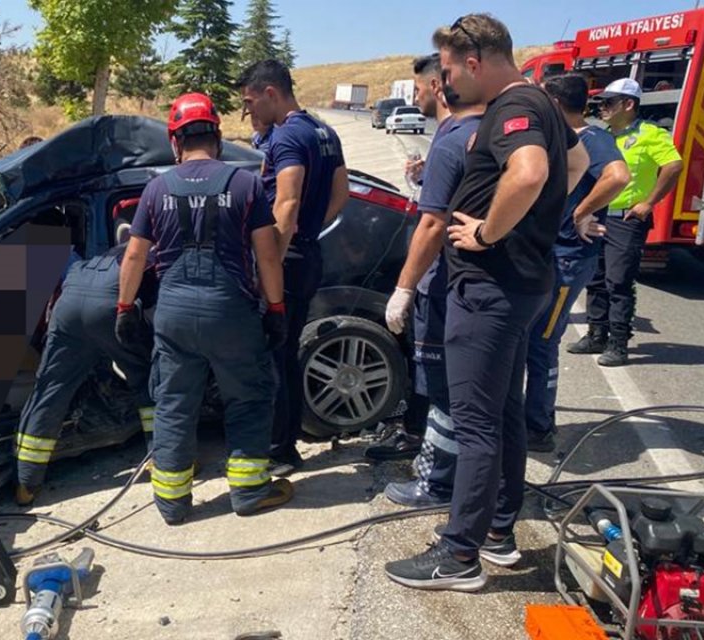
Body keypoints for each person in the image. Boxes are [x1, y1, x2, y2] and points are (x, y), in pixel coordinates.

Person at [385, 14, 588, 592]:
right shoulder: (545, 103)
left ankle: (458, 557)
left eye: (448, 71)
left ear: (474, 62)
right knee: (502, 412)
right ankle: (498, 533)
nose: (445, 84)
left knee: (475, 423)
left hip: (490, 287)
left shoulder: (509, 108)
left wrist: (489, 233)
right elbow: (574, 166)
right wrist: (535, 222)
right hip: (523, 284)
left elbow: (530, 173)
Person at [117, 93, 292, 525]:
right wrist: (276, 308)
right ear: (216, 134)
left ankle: (173, 505)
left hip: (174, 313)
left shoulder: (156, 189)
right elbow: (267, 255)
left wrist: (124, 308)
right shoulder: (245, 184)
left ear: (175, 142)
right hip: (230, 311)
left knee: (174, 403)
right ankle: (249, 492)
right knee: (248, 398)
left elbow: (135, 256)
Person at [377, 55, 484, 507]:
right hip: (466, 281)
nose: (414, 97)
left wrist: (404, 289)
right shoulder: (465, 134)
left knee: (443, 388)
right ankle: (445, 475)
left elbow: (433, 226)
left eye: (418, 90)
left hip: (444, 283)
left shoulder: (452, 137)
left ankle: (437, 483)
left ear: (438, 87)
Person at [237, 59, 350, 474]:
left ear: (271, 93)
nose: (248, 112)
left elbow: (286, 200)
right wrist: (307, 231)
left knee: (272, 355)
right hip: (307, 254)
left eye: (250, 102)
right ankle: (286, 441)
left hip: (284, 260)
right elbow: (342, 193)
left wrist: (274, 258)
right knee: (286, 351)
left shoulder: (287, 137)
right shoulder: (324, 131)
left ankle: (278, 449)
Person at [524, 75, 631, 451]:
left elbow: (619, 176)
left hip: (567, 260)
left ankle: (538, 427)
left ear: (554, 103)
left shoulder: (592, 138)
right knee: (530, 339)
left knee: (543, 342)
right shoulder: (563, 141)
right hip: (549, 256)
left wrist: (582, 211)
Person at [14, 240, 158, 506]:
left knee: (50, 390)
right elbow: (152, 311)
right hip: (108, 306)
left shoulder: (96, 259)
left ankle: (26, 482)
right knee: (147, 378)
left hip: (68, 306)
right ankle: (158, 458)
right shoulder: (148, 260)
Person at [568, 78, 683, 367]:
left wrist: (649, 203)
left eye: (609, 102)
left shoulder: (649, 134)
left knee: (618, 281)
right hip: (598, 215)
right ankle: (596, 334)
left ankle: (618, 343)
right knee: (594, 278)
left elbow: (673, 165)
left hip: (625, 220)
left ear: (629, 104)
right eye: (601, 102)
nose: (602, 108)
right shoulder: (603, 135)